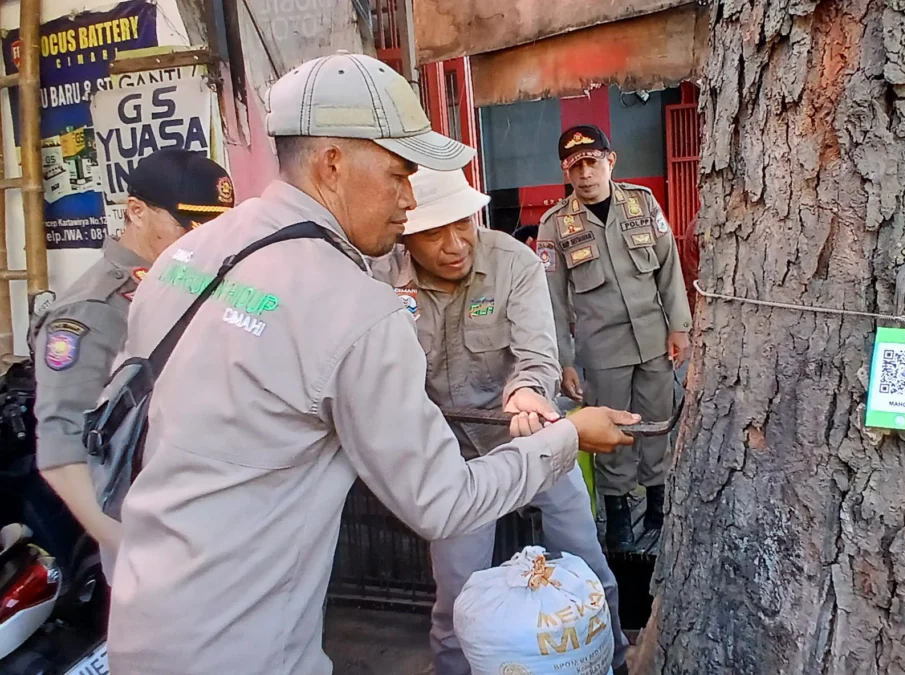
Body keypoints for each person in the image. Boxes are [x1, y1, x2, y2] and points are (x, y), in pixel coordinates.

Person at [104, 52, 638, 675]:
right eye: (397, 174)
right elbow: (441, 501)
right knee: (457, 602)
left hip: (142, 619)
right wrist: (571, 434)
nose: (409, 199)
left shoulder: (187, 257)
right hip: (244, 645)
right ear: (334, 163)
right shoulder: (356, 302)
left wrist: (530, 396)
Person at [371, 168, 630, 675]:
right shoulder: (382, 276)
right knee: (455, 600)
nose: (454, 245)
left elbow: (537, 352)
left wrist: (528, 392)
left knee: (589, 570)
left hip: (534, 441)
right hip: (453, 459)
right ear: (404, 234)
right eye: (432, 232)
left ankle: (614, 661)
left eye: (462, 224)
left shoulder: (514, 263)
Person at [31, 148, 235, 571]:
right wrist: (126, 548)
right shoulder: (94, 309)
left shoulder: (200, 283)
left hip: (215, 524)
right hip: (155, 547)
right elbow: (60, 448)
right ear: (137, 212)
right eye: (190, 227)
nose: (206, 241)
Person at [537, 125, 693, 551]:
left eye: (592, 162)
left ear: (611, 160)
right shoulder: (555, 224)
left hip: (654, 340)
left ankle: (660, 505)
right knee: (612, 434)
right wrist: (564, 360)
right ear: (566, 173)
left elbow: (668, 267)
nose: (585, 174)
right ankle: (620, 514)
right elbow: (551, 300)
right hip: (601, 350)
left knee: (657, 424)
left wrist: (680, 326)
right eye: (576, 167)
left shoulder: (642, 204)